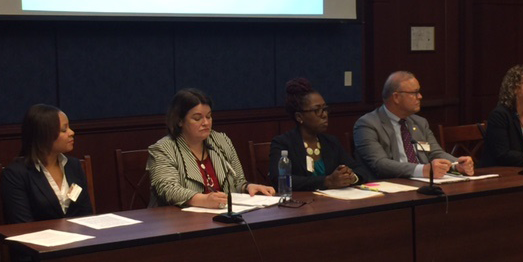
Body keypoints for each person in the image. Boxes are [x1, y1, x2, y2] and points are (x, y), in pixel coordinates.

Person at [147, 88, 275, 208]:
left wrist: (248, 187)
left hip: (222, 216)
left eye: (208, 116)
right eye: (197, 118)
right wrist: (203, 200)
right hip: (179, 223)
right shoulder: (163, 149)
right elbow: (168, 190)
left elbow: (238, 181)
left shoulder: (221, 141)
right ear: (180, 121)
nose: (206, 123)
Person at [353, 71, 474, 179]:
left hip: (423, 182)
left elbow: (435, 153)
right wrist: (422, 170)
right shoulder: (368, 124)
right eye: (415, 93)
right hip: (390, 186)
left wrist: (457, 164)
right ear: (396, 97)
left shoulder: (420, 123)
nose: (420, 97)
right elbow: (379, 164)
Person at [269, 78, 370, 191]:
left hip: (332, 203)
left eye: (325, 109)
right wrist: (326, 181)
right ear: (299, 117)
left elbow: (360, 169)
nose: (324, 115)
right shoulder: (283, 143)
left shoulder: (331, 142)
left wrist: (351, 177)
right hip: (300, 205)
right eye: (317, 110)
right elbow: (279, 179)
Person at [1, 104, 93, 224]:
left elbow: (87, 214)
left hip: (81, 240)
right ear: (44, 135)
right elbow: (21, 225)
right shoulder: (15, 174)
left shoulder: (73, 165)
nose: (71, 133)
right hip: (39, 241)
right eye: (64, 130)